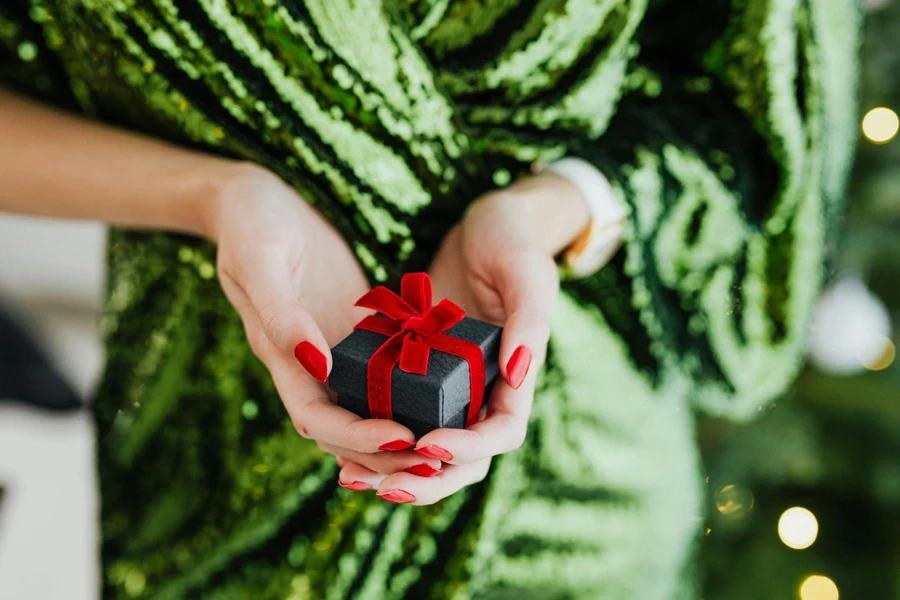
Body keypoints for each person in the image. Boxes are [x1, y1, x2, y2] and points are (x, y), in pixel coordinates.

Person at [0, 1, 860, 598]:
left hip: (575, 495)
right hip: (210, 461)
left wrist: (544, 211)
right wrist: (211, 195)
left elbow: (743, 119)